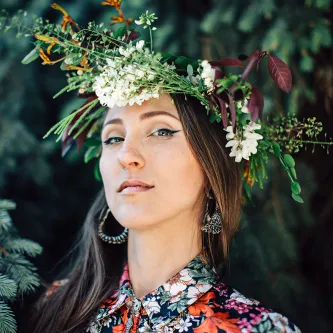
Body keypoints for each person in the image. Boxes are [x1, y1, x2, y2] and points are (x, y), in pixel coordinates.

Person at [18, 1, 312, 332]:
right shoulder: (56, 309)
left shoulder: (256, 328)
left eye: (161, 131)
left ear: (211, 161)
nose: (127, 155)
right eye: (114, 138)